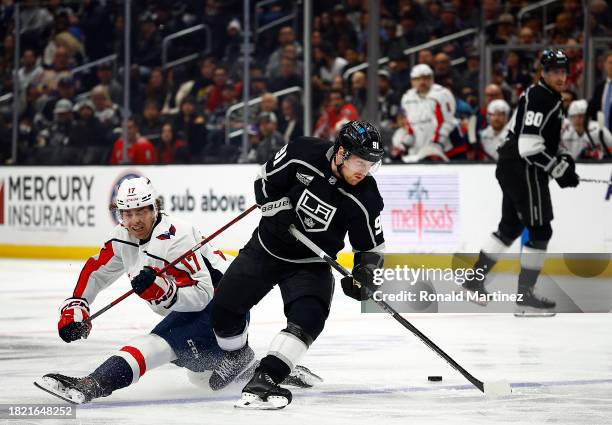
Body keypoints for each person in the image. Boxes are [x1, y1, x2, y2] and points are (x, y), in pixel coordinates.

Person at [35, 177, 320, 404]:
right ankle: (264, 370)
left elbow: (204, 294)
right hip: (197, 311)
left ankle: (92, 385)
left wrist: (164, 291)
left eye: (140, 211)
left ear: (153, 208)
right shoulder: (122, 238)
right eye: (127, 213)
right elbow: (95, 272)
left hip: (222, 311)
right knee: (203, 379)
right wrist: (77, 306)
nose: (134, 220)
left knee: (155, 345)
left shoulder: (177, 238)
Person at [209, 121, 385, 409]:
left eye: (370, 164)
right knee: (224, 311)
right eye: (359, 161)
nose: (363, 170)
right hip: (266, 249)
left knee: (309, 318)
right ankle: (236, 356)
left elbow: (372, 248)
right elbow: (263, 181)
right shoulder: (302, 152)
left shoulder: (366, 196)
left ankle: (267, 374)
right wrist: (275, 209)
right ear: (340, 152)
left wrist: (365, 275)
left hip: (310, 263)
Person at [462, 49, 580, 315]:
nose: (560, 76)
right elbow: (529, 146)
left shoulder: (544, 95)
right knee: (540, 230)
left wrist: (561, 159)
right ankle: (525, 296)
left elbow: (541, 139)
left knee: (510, 226)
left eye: (563, 71)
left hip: (512, 166)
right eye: (554, 71)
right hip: (524, 169)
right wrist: (558, 169)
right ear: (543, 72)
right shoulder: (542, 97)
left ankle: (473, 280)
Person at [393, 64, 456, 162]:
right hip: (416, 149)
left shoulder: (442, 94)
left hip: (439, 148)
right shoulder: (407, 97)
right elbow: (409, 126)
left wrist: (437, 144)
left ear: (432, 79)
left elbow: (447, 122)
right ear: (412, 81)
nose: (422, 82)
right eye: (418, 79)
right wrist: (404, 145)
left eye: (426, 78)